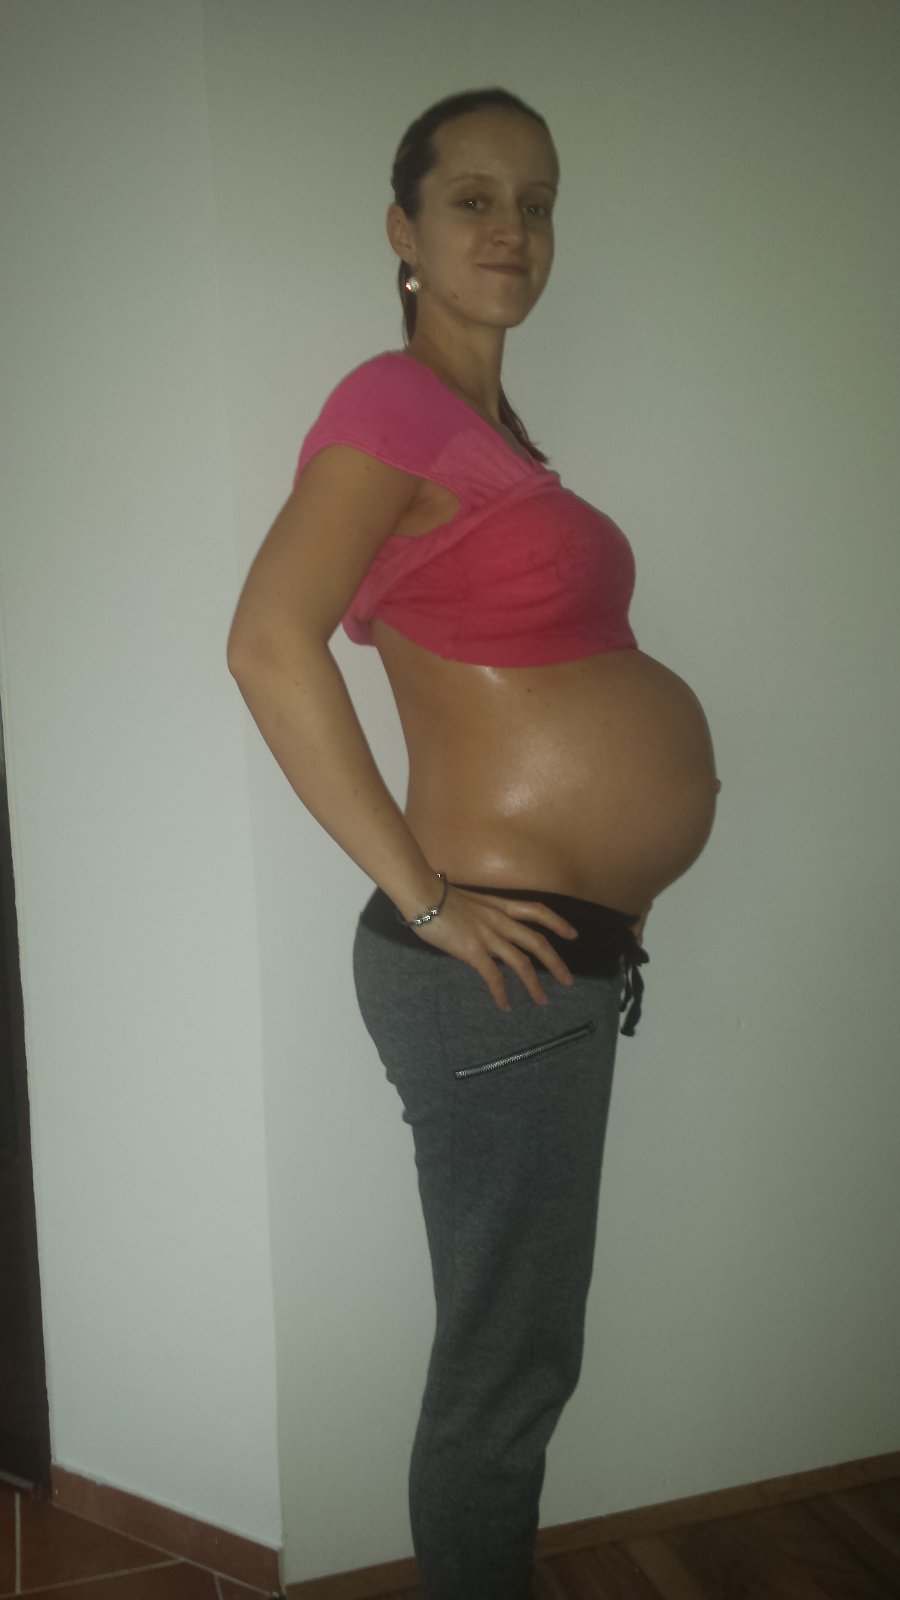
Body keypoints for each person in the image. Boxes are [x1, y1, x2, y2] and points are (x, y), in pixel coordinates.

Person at [227, 85, 720, 1600]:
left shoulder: (486, 434)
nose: (514, 228)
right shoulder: (394, 403)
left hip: (547, 958)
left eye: (538, 202)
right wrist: (429, 900)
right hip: (490, 959)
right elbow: (267, 642)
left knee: (515, 1350)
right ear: (404, 229)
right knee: (509, 1368)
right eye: (474, 198)